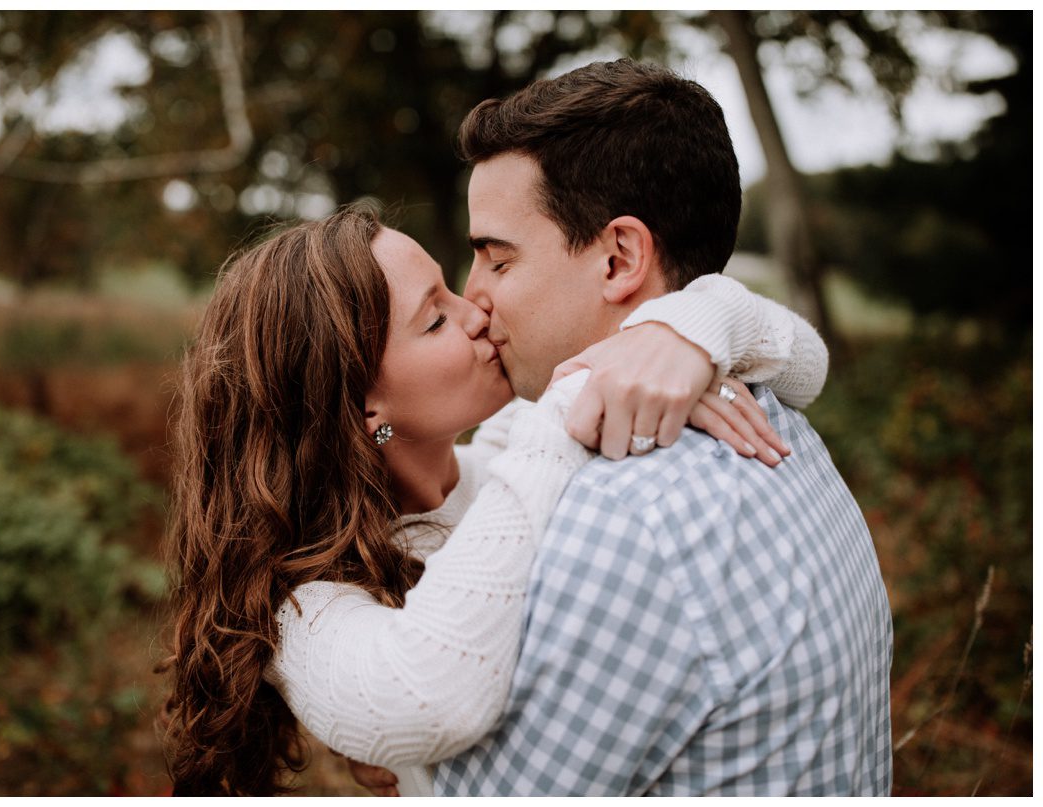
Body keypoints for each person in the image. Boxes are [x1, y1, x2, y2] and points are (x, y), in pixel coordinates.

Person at [159, 202, 828, 795]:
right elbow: (433, 699)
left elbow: (806, 362)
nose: (476, 311)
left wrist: (681, 331)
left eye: (451, 288)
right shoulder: (301, 606)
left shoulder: (509, 455)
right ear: (364, 408)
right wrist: (580, 391)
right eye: (434, 319)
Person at [411, 60, 891, 796]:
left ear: (620, 257)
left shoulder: (622, 513)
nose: (474, 296)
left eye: (497, 259)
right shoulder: (772, 413)